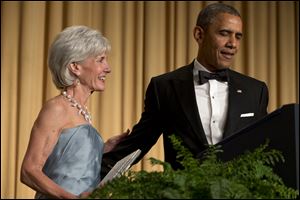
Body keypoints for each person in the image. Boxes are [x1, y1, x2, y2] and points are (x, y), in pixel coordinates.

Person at [100, 2, 269, 177]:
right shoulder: (164, 87)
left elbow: (266, 150)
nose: (233, 43)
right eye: (224, 33)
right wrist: (86, 181)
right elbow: (137, 145)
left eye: (238, 36)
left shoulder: (256, 91)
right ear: (199, 34)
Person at [20, 25, 128, 199]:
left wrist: (103, 148)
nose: (108, 68)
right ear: (75, 67)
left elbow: (69, 160)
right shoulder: (57, 108)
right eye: (100, 60)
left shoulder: (80, 110)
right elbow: (28, 171)